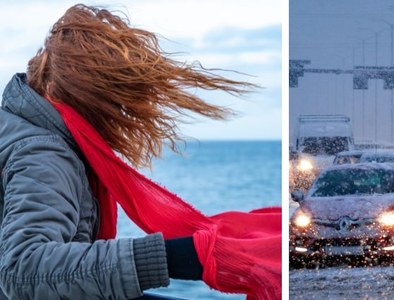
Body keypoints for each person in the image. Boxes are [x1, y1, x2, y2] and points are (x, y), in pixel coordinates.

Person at [0, 4, 281, 300]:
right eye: (117, 105)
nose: (122, 118)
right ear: (91, 98)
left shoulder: (23, 130)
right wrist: (177, 257)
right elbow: (22, 269)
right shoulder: (43, 152)